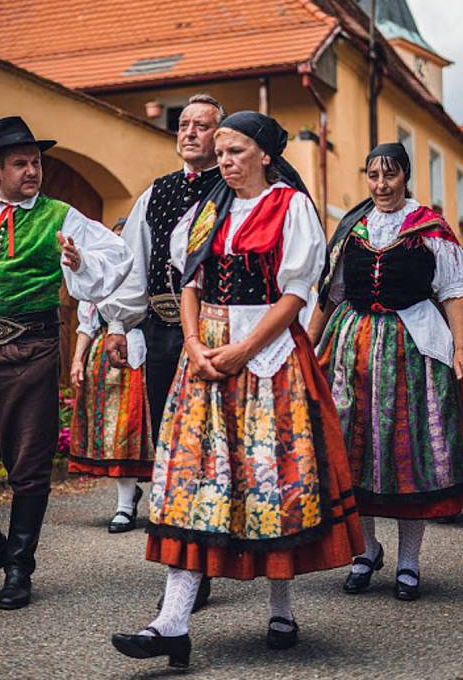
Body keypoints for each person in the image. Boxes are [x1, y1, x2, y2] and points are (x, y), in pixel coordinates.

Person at [111, 112, 364, 669]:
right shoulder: (206, 211)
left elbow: (296, 295)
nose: (224, 160)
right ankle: (171, 622)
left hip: (269, 355)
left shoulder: (290, 207)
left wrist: (243, 350)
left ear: (266, 155)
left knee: (268, 480)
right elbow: (190, 284)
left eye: (236, 150)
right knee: (194, 481)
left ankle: (281, 608)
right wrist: (197, 345)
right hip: (207, 357)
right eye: (220, 151)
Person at [0, 116, 133, 610]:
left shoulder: (63, 216)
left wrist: (78, 261)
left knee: (28, 465)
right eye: (20, 163)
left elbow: (118, 257)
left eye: (36, 161)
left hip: (31, 353)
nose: (32, 171)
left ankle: (19, 565)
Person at [310, 142, 463, 601]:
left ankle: (410, 562)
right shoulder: (353, 227)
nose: (381, 185)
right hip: (350, 346)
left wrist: (461, 347)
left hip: (410, 348)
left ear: (406, 177)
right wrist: (308, 346)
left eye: (390, 175)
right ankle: (367, 549)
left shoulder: (429, 229)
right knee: (351, 448)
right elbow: (330, 293)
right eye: (373, 175)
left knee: (406, 454)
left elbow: (453, 291)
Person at [101, 94, 226, 608]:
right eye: (184, 124)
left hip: (218, 335)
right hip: (160, 331)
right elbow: (133, 262)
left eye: (202, 126)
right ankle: (184, 563)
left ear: (220, 138)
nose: (189, 132)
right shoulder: (156, 192)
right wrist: (116, 323)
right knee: (167, 447)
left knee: (208, 446)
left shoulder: (233, 190)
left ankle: (207, 561)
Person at [69, 300, 153, 532]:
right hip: (110, 354)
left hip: (156, 341)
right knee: (120, 428)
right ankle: (125, 505)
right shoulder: (101, 271)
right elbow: (87, 320)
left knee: (154, 428)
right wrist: (77, 359)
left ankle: (163, 504)